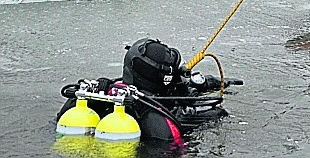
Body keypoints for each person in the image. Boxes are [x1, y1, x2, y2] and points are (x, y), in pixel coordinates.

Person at [57, 38, 243, 142]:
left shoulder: (110, 92)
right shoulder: (163, 109)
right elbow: (216, 112)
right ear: (163, 76)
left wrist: (206, 83)